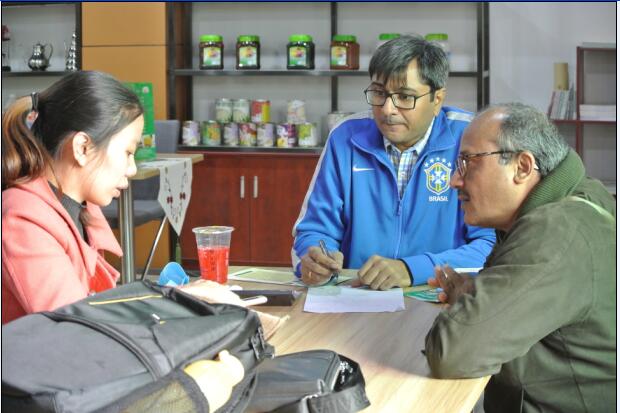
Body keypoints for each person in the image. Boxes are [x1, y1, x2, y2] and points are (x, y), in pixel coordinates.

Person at [424, 103, 616, 412]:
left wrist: (466, 303)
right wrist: (474, 295)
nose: (454, 181)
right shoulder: (579, 195)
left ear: (522, 167)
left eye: (468, 163)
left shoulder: (556, 231)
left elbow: (453, 353)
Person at [292, 35, 496, 289]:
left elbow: (491, 246)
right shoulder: (346, 137)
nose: (388, 109)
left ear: (437, 100)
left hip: (439, 295)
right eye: (379, 93)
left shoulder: (470, 140)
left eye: (404, 96)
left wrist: (411, 269)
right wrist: (313, 259)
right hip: (357, 299)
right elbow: (314, 229)